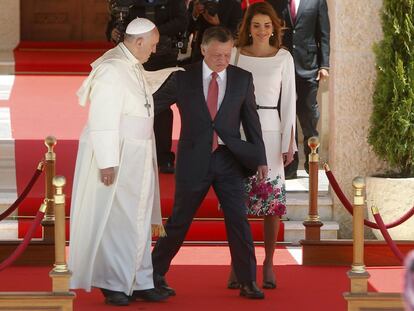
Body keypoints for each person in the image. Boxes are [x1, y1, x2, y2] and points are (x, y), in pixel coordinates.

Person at [69, 18, 180, 306]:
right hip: (119, 155)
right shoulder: (111, 69)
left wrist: (176, 73)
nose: (154, 51)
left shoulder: (130, 63)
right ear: (139, 41)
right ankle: (114, 282)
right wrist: (107, 161)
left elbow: (142, 89)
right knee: (118, 220)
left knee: (139, 218)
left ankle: (139, 279)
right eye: (152, 45)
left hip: (140, 154)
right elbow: (102, 120)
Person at [151, 26, 268, 299]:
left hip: (229, 160)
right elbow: (152, 107)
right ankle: (153, 274)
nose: (222, 61)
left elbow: (252, 122)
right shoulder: (183, 79)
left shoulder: (242, 79)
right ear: (203, 49)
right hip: (194, 160)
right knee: (179, 220)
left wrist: (260, 157)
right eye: (217, 55)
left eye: (227, 55)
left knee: (238, 220)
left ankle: (247, 280)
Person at [227, 1, 296, 290]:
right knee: (236, 203)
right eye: (256, 25)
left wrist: (288, 141)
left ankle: (268, 262)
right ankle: (238, 263)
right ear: (248, 27)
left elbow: (290, 100)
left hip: (270, 128)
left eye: (267, 25)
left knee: (271, 205)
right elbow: (226, 98)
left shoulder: (284, 58)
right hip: (240, 131)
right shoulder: (236, 55)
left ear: (275, 27)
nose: (261, 30)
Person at [106, 0, 188, 173]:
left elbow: (182, 21)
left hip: (164, 54)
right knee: (132, 104)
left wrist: (151, 32)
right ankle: (131, 153)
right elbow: (114, 23)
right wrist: (112, 32)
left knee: (161, 106)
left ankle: (163, 156)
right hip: (134, 55)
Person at [268, 0, 330, 179]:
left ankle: (312, 162)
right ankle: (289, 166)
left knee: (309, 116)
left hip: (308, 66)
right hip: (280, 67)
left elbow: (323, 33)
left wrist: (324, 65)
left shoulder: (317, 1)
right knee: (286, 116)